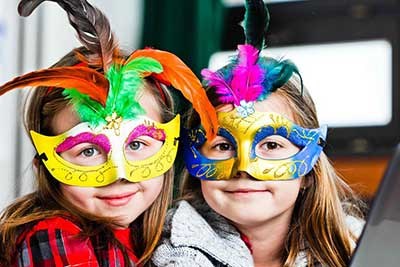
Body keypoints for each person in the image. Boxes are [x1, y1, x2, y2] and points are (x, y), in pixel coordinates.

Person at [0, 0, 218, 266]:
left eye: (137, 144)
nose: (120, 175)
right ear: (42, 166)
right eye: (88, 151)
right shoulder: (54, 236)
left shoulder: (163, 238)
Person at [152, 0, 366, 266]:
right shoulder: (168, 255)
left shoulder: (358, 246)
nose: (244, 167)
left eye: (272, 145)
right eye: (222, 146)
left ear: (309, 170)